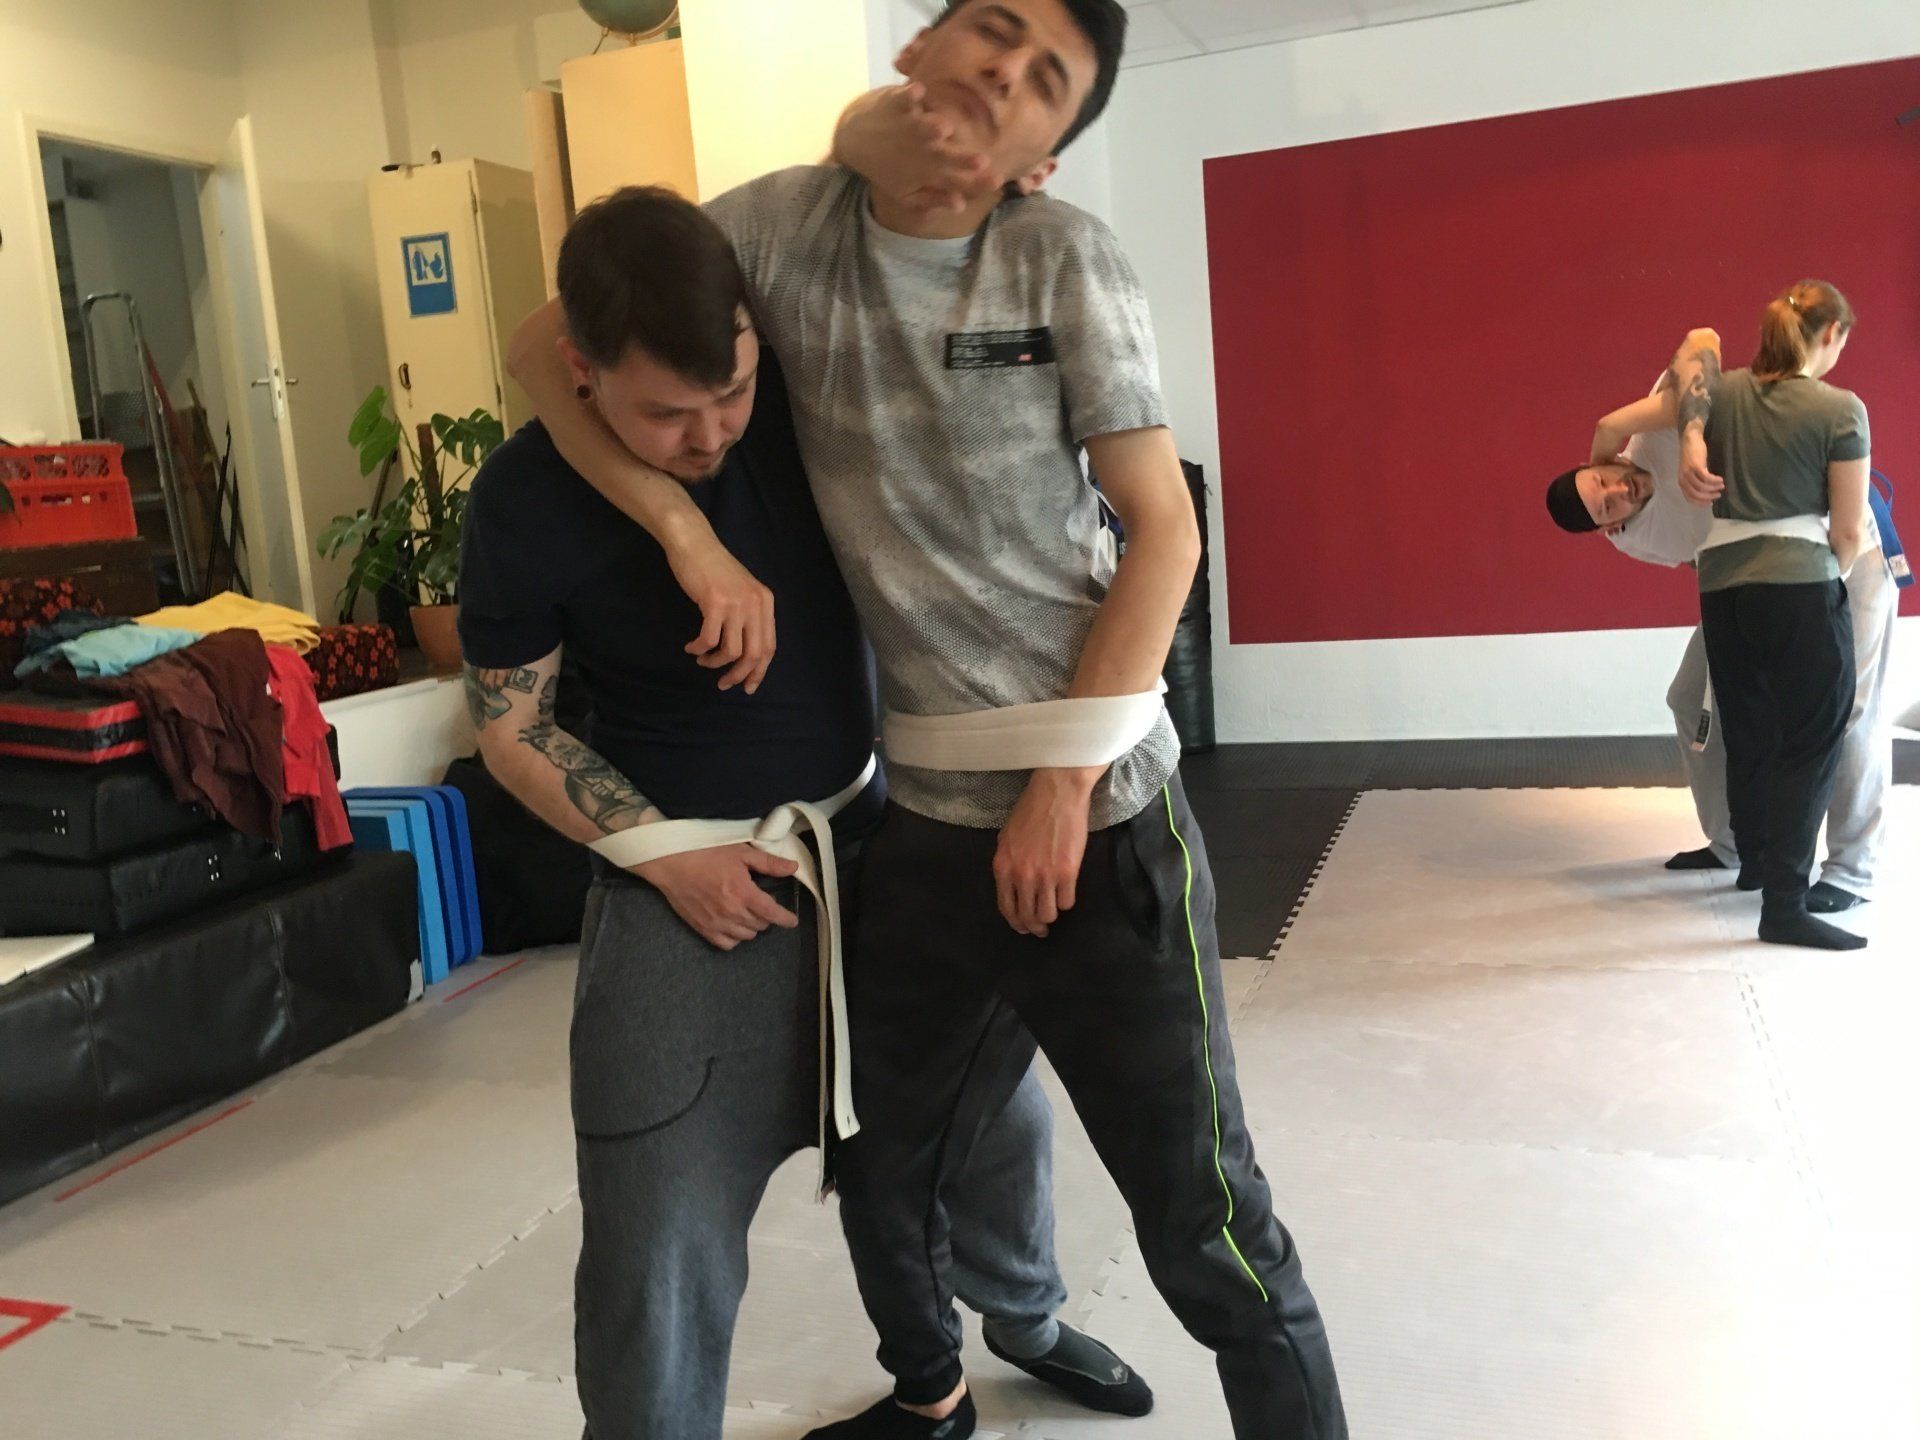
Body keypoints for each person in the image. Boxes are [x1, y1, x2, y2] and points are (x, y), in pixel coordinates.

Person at [507, 4, 1348, 1437]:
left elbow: (1164, 535)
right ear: (921, 45)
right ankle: (931, 1401)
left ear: (1046, 151)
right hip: (927, 831)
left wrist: (1063, 786)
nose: (1001, 75)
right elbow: (547, 348)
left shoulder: (1064, 257)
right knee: (884, 1167)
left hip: (1105, 817)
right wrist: (683, 534)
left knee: (1202, 1221)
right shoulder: (778, 232)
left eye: (1045, 81)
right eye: (992, 31)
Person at [458, 187, 1147, 1440]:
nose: (709, 432)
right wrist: (664, 859)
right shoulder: (522, 499)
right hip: (680, 884)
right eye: (665, 415)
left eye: (727, 392)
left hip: (878, 843)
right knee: (652, 1213)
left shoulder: (804, 410)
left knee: (994, 1119)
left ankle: (1028, 1320)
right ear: (581, 373)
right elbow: (510, 725)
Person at [1557, 284, 1872, 950]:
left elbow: (1699, 340)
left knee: (1845, 715)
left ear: (1604, 458)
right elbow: (1695, 561)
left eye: (1604, 477)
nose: (1617, 490)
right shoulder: (1822, 406)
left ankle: (1848, 868)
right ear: (1831, 338)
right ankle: (1744, 850)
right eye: (1607, 505)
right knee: (1717, 708)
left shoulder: (1686, 413)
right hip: (1758, 575)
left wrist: (1686, 436)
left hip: (1825, 559)